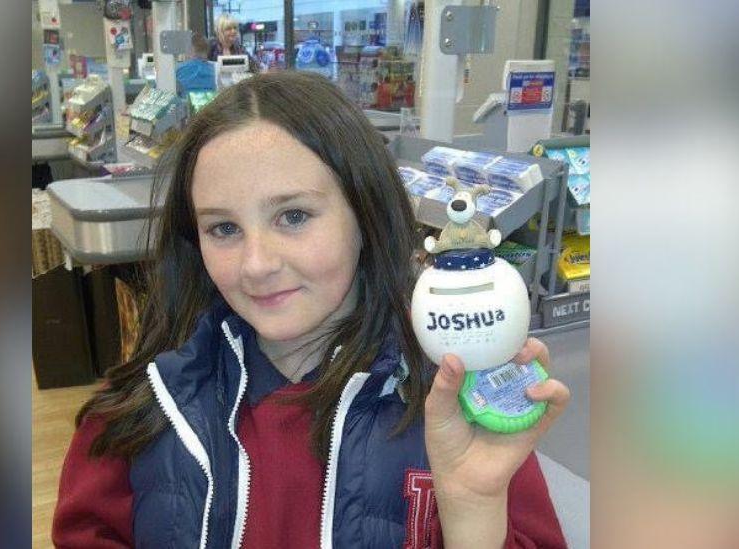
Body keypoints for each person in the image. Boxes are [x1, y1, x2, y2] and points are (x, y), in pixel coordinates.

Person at [52, 71, 571, 548]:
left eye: (293, 215)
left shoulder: (458, 402)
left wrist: (474, 509)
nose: (256, 265)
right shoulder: (138, 413)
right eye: (223, 228)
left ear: (365, 215)